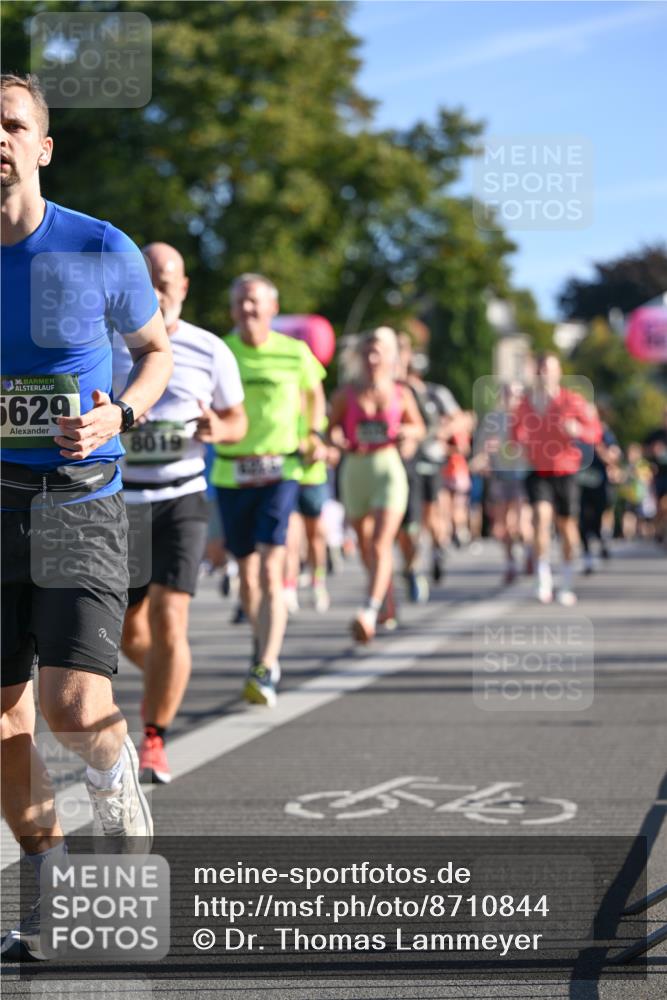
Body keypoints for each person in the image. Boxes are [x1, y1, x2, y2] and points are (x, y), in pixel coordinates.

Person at [1, 74, 172, 960]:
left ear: (42, 146)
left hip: (79, 498)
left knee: (71, 707)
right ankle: (49, 888)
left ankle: (117, 792)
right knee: (0, 717)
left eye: (11, 123)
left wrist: (121, 415)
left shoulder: (101, 246)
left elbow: (153, 353)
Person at [115, 243, 247, 783]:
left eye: (165, 281)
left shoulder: (209, 349)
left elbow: (237, 420)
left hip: (182, 497)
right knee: (126, 632)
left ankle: (154, 738)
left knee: (172, 616)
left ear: (183, 288)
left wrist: (222, 428)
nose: (156, 291)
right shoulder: (109, 341)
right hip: (121, 502)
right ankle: (167, 677)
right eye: (146, 280)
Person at [211, 274, 327, 707]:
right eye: (240, 302)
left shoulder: (295, 352)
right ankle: (259, 651)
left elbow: (315, 395)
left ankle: (267, 664)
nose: (248, 309)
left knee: (269, 568)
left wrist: (314, 433)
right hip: (231, 472)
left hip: (281, 470)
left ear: (273, 308)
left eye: (255, 302)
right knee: (246, 576)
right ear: (232, 309)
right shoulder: (221, 351)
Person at [328, 327, 425, 642]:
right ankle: (385, 598)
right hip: (355, 470)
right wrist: (337, 439)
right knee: (366, 545)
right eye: (367, 353)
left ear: (390, 357)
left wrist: (407, 436)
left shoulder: (401, 393)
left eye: (378, 353)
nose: (372, 359)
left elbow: (418, 428)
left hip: (388, 468)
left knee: (383, 543)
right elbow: (331, 430)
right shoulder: (346, 393)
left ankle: (368, 611)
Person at [511, 352, 601, 605]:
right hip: (538, 471)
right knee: (540, 518)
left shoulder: (571, 400)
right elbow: (515, 430)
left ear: (558, 372)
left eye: (548, 369)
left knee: (567, 529)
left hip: (566, 472)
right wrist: (519, 440)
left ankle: (567, 580)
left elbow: (595, 431)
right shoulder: (526, 403)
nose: (543, 374)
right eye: (540, 369)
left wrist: (579, 430)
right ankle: (543, 578)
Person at [395, 333, 464, 596]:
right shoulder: (387, 390)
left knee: (432, 518)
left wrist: (441, 432)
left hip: (430, 460)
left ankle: (436, 551)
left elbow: (460, 419)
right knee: (407, 525)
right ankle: (411, 568)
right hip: (401, 463)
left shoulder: (433, 392)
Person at [643, 405, 667, 543]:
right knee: (660, 506)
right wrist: (652, 451)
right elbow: (642, 451)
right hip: (659, 475)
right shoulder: (656, 435)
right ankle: (659, 530)